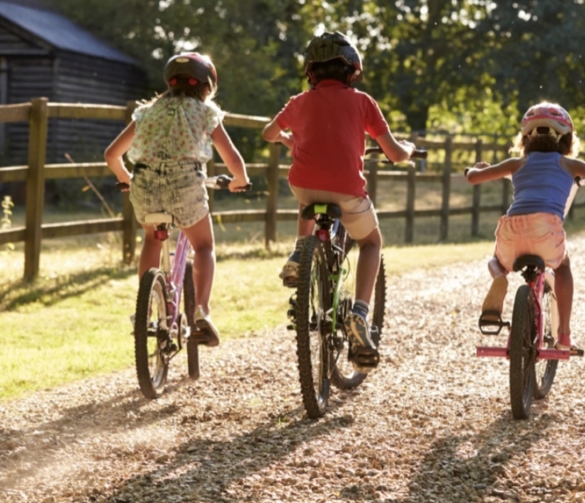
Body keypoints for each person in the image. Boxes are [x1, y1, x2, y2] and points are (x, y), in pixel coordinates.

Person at [262, 31, 415, 372]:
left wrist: (289, 139)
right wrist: (406, 151)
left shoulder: (298, 102)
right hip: (347, 192)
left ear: (311, 72)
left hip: (304, 188)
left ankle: (299, 253)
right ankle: (360, 312)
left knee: (308, 199)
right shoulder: (363, 102)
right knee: (371, 242)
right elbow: (393, 151)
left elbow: (268, 133)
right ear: (352, 70)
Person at [105, 52, 251, 347]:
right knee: (204, 246)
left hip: (144, 184)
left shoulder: (147, 112)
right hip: (186, 185)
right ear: (207, 86)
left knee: (151, 240)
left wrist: (125, 178)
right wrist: (240, 180)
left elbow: (111, 155)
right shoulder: (205, 113)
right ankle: (201, 312)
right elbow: (231, 157)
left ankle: (145, 309)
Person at [465, 102, 585, 350]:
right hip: (546, 230)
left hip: (512, 231)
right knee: (563, 267)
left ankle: (499, 278)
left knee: (495, 260)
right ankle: (564, 335)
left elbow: (473, 178)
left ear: (525, 138)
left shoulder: (515, 164)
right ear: (566, 140)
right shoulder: (571, 165)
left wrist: (476, 169)